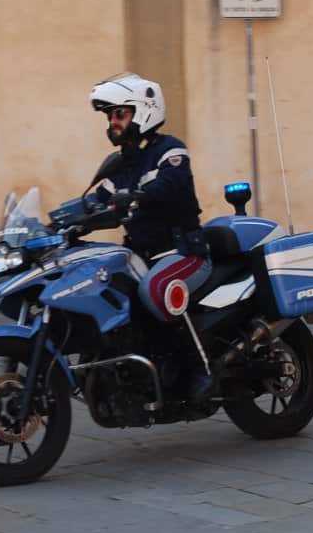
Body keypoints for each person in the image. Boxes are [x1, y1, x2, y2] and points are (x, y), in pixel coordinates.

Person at [86, 74, 216, 402]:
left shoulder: (170, 150)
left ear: (143, 112)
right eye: (109, 116)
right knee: (100, 286)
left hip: (183, 251)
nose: (113, 122)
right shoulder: (119, 166)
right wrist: (56, 222)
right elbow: (94, 201)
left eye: (119, 114)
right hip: (140, 256)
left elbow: (170, 184)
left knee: (156, 291)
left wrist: (138, 196)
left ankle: (199, 369)